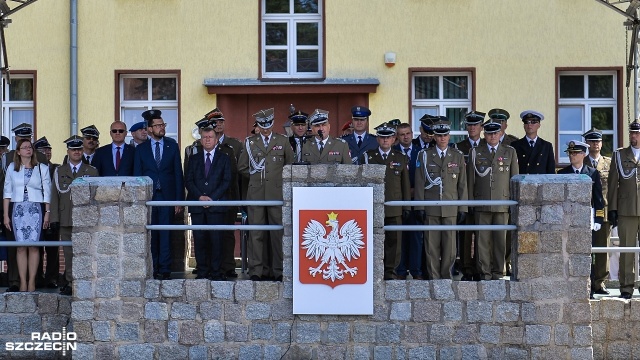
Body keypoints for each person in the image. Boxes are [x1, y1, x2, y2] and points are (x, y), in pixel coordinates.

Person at [237, 108, 294, 281]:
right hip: (256, 193)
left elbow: (290, 165)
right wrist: (256, 174)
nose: (266, 129)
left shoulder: (283, 141)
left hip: (276, 194)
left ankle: (278, 270)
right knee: (256, 233)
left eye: (268, 125)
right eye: (263, 126)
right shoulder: (250, 142)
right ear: (259, 126)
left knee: (277, 234)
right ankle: (257, 270)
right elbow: (242, 167)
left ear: (272, 123)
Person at [133, 109, 184, 280]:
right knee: (151, 234)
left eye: (163, 124)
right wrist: (139, 201)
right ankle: (153, 267)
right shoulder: (141, 149)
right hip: (149, 198)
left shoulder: (172, 145)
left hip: (167, 197)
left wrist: (179, 201)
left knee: (166, 233)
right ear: (149, 128)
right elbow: (138, 177)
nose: (162, 128)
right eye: (158, 125)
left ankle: (165, 268)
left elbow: (178, 174)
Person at [414, 118, 468, 279]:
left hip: (451, 208)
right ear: (434, 137)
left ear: (449, 136)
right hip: (431, 208)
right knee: (431, 246)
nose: (442, 138)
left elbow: (462, 184)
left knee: (450, 247)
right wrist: (419, 207)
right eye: (439, 135)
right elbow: (419, 183)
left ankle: (446, 277)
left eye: (445, 135)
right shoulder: (424, 156)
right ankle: (434, 277)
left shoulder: (457, 156)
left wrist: (463, 208)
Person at [467, 120, 519, 280]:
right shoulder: (476, 152)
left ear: (500, 134)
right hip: (481, 203)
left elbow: (514, 180)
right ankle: (484, 273)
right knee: (482, 241)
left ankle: (499, 272)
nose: (492, 136)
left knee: (500, 241)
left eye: (495, 133)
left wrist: (514, 204)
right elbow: (470, 180)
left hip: (502, 204)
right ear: (484, 134)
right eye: (489, 133)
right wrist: (469, 203)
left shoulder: (509, 152)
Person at [360, 122, 411, 280]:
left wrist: (406, 206)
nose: (385, 140)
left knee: (394, 242)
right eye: (382, 137)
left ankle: (390, 271)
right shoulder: (368, 156)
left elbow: (405, 185)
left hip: (394, 207)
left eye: (388, 137)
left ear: (394, 139)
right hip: (373, 207)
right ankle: (374, 271)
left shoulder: (400, 158)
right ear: (377, 139)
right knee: (374, 240)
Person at [50, 136, 99, 296]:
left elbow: (96, 197)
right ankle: (71, 283)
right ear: (68, 151)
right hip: (66, 218)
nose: (77, 152)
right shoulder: (60, 171)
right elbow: (54, 197)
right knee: (69, 253)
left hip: (85, 220)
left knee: (86, 252)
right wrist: (54, 219)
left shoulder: (91, 171)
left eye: (79, 149)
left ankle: (85, 282)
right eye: (73, 149)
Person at [2, 123, 47, 293]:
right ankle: (19, 281)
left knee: (35, 246)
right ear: (16, 142)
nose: (25, 144)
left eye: (27, 140)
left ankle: (33, 281)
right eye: (21, 140)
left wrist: (48, 211)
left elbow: (46, 189)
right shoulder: (8, 160)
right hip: (17, 209)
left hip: (35, 209)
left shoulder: (40, 159)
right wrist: (5, 214)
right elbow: (6, 190)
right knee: (19, 246)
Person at [557, 140, 604, 299]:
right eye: (570, 153)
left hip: (586, 221)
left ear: (583, 154)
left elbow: (598, 199)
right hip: (567, 222)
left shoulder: (592, 173)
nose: (572, 156)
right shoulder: (562, 174)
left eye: (575, 153)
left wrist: (598, 219)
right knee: (566, 255)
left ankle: (588, 290)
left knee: (587, 257)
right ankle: (566, 289)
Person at [185, 123, 231, 280]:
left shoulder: (224, 158)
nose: (207, 140)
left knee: (216, 240)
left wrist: (212, 198)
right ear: (200, 139)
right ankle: (203, 271)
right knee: (200, 239)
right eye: (204, 137)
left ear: (216, 139)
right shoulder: (193, 158)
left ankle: (216, 272)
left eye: (210, 137)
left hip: (216, 205)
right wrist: (200, 197)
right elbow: (189, 180)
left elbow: (226, 181)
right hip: (198, 206)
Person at [208, 108, 243, 279]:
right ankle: (209, 265)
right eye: (215, 122)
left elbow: (240, 174)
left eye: (221, 121)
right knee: (210, 232)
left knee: (228, 233)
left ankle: (228, 265)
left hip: (229, 196)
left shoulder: (235, 145)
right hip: (210, 196)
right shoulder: (203, 143)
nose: (219, 124)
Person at [607, 120, 640, 299]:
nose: (633, 136)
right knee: (627, 249)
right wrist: (612, 209)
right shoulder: (619, 155)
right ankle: (626, 287)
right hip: (626, 209)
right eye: (632, 133)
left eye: (637, 133)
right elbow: (613, 184)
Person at [456, 111, 485, 281]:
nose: (472, 127)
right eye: (470, 124)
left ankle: (481, 267)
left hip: (481, 194)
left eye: (476, 124)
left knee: (482, 234)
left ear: (481, 127)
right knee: (465, 234)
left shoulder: (485, 146)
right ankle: (467, 267)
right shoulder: (459, 147)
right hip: (464, 194)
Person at [583, 127, 612, 296]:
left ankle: (600, 282)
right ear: (587, 143)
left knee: (603, 249)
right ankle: (586, 280)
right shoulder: (582, 161)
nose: (595, 144)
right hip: (585, 211)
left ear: (601, 143)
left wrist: (613, 210)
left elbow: (614, 188)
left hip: (603, 212)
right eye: (592, 141)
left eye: (598, 141)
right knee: (585, 248)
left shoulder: (608, 163)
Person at [393, 122, 423, 280]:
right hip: (399, 201)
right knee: (400, 237)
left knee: (416, 236)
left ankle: (416, 270)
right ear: (397, 137)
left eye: (408, 133)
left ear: (412, 134)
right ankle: (400, 270)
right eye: (402, 134)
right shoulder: (393, 152)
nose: (405, 137)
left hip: (416, 200)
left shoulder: (420, 152)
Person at [34, 137, 61, 288]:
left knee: (52, 249)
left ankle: (52, 278)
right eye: (43, 150)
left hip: (52, 214)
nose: (47, 152)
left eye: (49, 149)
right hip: (36, 213)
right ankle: (37, 277)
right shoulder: (31, 169)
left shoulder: (57, 168)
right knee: (36, 248)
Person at [511, 110, 556, 175]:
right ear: (524, 125)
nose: (529, 125)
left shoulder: (546, 146)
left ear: (539, 125)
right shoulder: (515, 145)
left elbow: (551, 171)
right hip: (523, 183)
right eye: (527, 122)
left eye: (533, 122)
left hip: (540, 183)